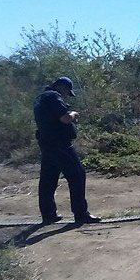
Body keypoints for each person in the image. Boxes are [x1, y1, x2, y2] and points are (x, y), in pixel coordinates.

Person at [33, 77, 100, 224]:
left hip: (47, 144)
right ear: (62, 87)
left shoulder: (40, 98)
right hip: (59, 145)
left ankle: (48, 214)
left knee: (48, 179)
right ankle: (81, 214)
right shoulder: (53, 96)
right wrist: (74, 114)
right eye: (67, 92)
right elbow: (64, 118)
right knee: (77, 174)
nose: (66, 96)